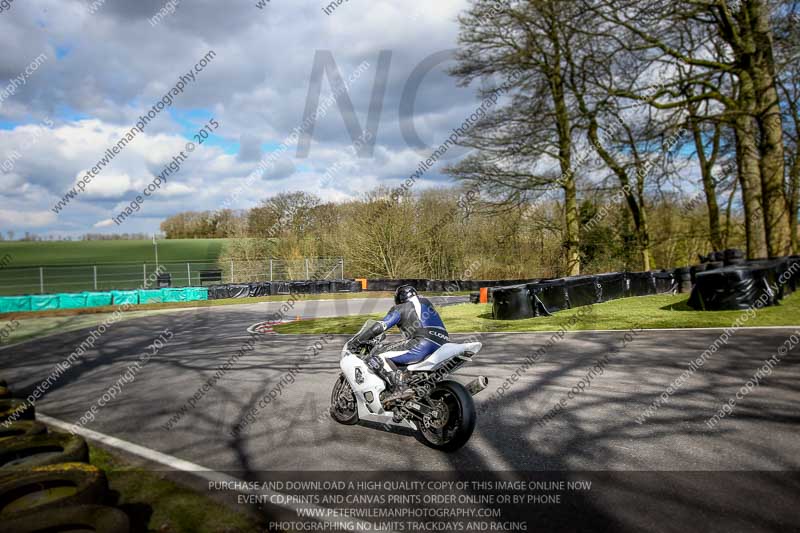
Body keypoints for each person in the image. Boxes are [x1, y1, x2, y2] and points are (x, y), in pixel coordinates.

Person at [350, 285, 450, 395]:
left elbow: (381, 326)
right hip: (444, 343)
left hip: (422, 343)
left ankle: (400, 389)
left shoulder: (400, 308)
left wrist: (358, 340)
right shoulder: (426, 303)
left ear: (399, 298)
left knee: (376, 354)